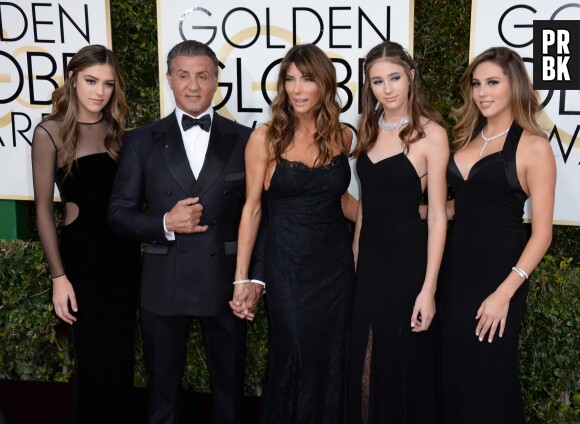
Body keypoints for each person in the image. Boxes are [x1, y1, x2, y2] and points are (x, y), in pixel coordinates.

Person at [107, 40, 264, 424]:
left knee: (230, 394)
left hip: (228, 283)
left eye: (202, 76)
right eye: (183, 76)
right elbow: (118, 214)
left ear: (216, 82)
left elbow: (262, 214)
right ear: (169, 81)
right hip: (164, 284)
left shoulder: (247, 139)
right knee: (161, 395)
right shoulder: (141, 140)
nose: (193, 86)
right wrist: (164, 224)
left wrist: (255, 278)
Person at [232, 43, 355, 423]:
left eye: (307, 79)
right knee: (294, 351)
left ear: (324, 84)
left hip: (336, 267)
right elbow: (252, 209)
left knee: (333, 355)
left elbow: (342, 201)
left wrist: (408, 214)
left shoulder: (344, 136)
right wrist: (242, 279)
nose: (298, 89)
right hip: (288, 268)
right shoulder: (266, 139)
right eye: (290, 79)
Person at [439, 46, 556, 423]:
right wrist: (404, 213)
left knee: (488, 376)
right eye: (476, 84)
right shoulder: (465, 137)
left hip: (499, 278)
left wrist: (504, 293)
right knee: (452, 372)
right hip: (454, 273)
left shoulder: (534, 147)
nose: (482, 92)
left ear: (514, 87)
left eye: (493, 82)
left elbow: (541, 234)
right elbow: (461, 206)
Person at [31, 44, 141, 423]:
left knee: (121, 357)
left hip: (125, 256)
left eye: (108, 84)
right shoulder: (51, 131)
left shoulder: (120, 132)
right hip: (83, 259)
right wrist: (59, 277)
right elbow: (44, 209)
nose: (100, 91)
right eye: (92, 81)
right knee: (91, 360)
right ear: (73, 78)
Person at [347, 41, 449, 423]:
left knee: (405, 360)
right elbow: (365, 205)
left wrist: (429, 289)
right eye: (377, 81)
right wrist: (356, 254)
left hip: (408, 262)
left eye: (394, 78)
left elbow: (438, 216)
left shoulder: (432, 135)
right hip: (369, 261)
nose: (387, 89)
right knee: (364, 360)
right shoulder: (367, 127)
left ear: (410, 77)